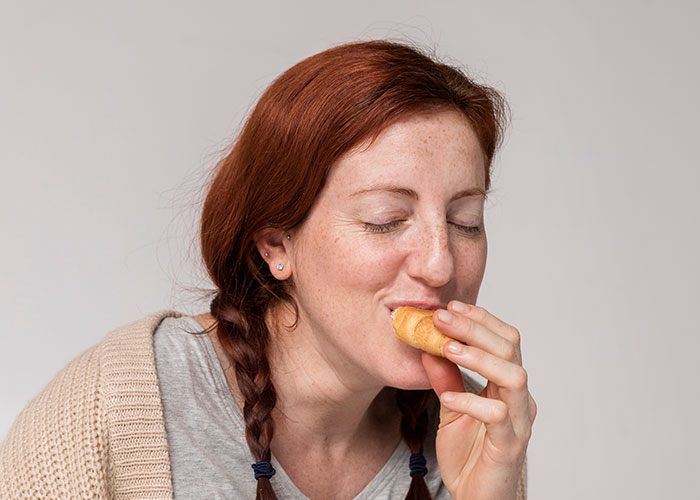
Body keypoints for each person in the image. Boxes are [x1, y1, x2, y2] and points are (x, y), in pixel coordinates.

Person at [0, 39, 536, 500]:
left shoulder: (474, 423)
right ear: (277, 244)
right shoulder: (112, 410)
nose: (440, 265)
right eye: (386, 220)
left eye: (465, 222)